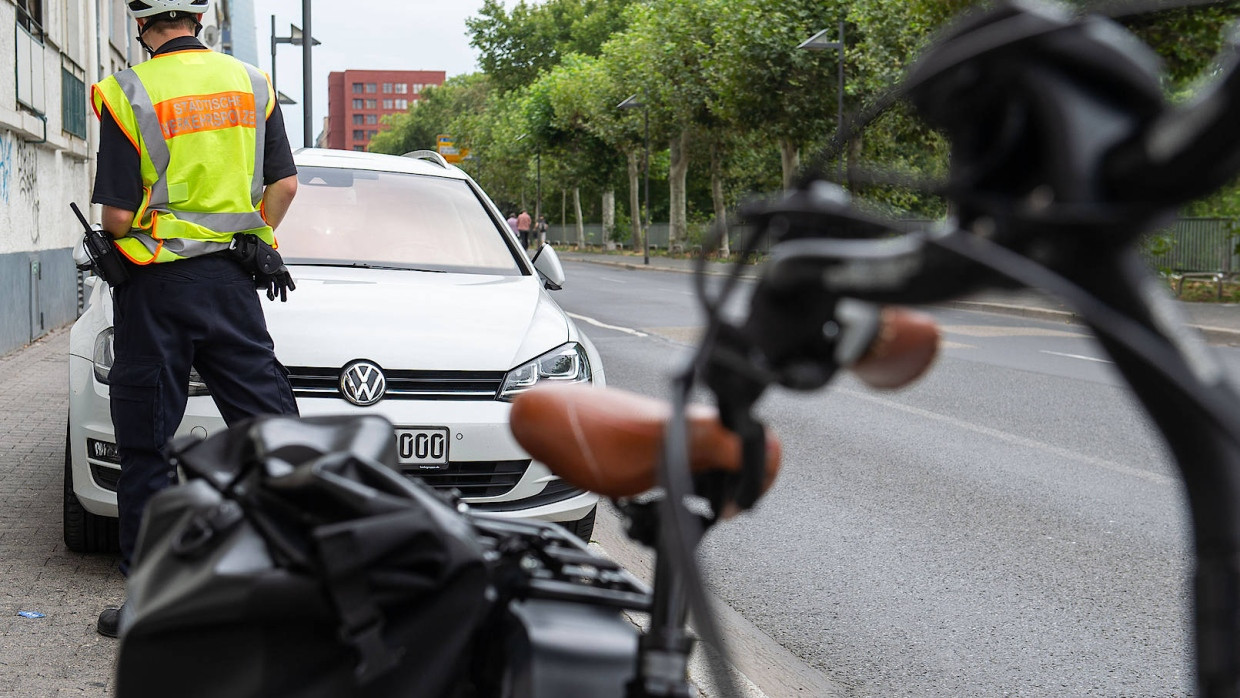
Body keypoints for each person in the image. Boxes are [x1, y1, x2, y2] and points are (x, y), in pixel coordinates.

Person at [89, 0, 300, 638]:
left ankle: (150, 604)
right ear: (200, 19)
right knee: (272, 436)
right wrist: (257, 236)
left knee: (147, 444)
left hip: (155, 291)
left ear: (140, 25)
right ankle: (299, 586)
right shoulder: (253, 83)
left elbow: (117, 218)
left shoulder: (126, 90)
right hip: (234, 284)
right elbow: (284, 186)